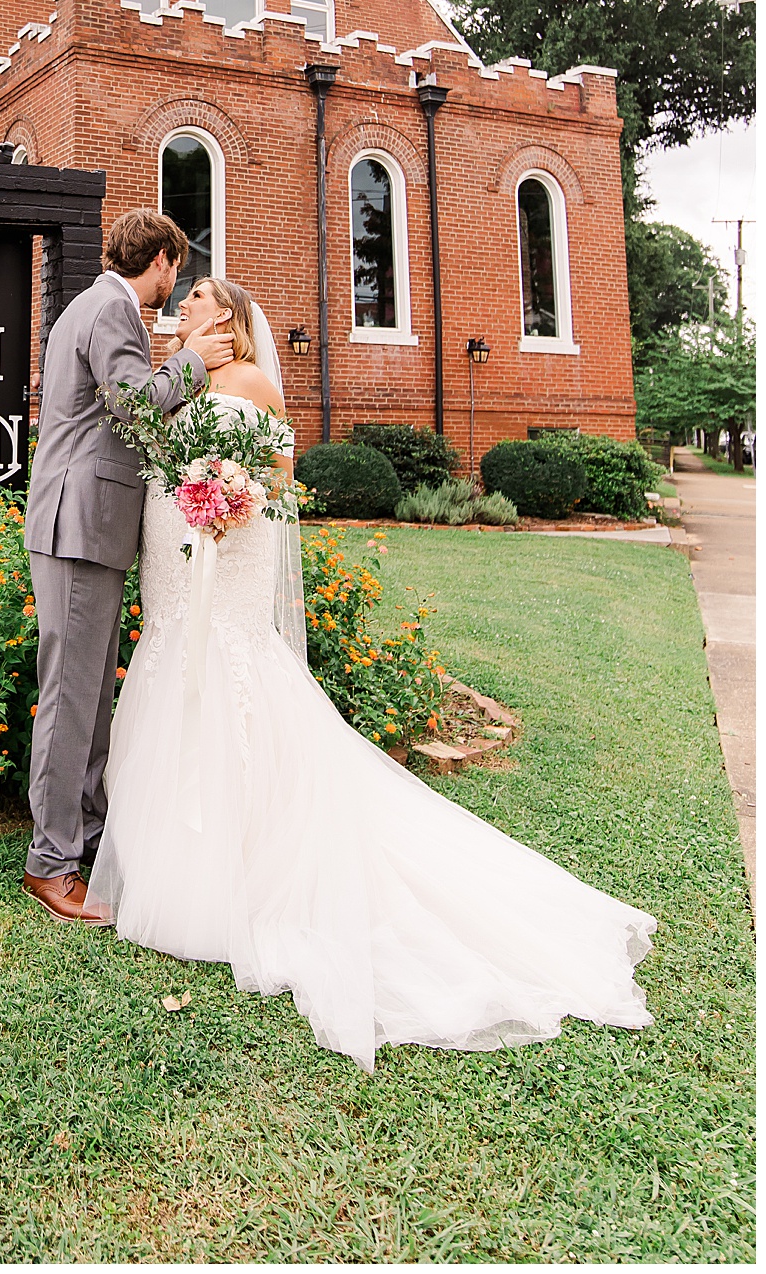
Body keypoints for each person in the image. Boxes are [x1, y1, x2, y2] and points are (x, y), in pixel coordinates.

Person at [88, 274, 658, 1072]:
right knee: (175, 666)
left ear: (226, 316)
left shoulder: (248, 378)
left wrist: (236, 495)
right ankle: (172, 859)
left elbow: (281, 466)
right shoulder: (179, 375)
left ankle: (238, 866)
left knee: (230, 676)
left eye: (193, 300)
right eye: (179, 299)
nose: (180, 306)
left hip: (228, 554)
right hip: (176, 557)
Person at [21, 208, 235, 922]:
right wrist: (193, 364)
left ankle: (83, 837)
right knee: (71, 698)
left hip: (89, 526)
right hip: (78, 525)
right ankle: (50, 865)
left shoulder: (91, 306)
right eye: (177, 270)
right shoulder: (112, 310)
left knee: (89, 696)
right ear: (164, 261)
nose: (175, 286)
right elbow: (132, 405)